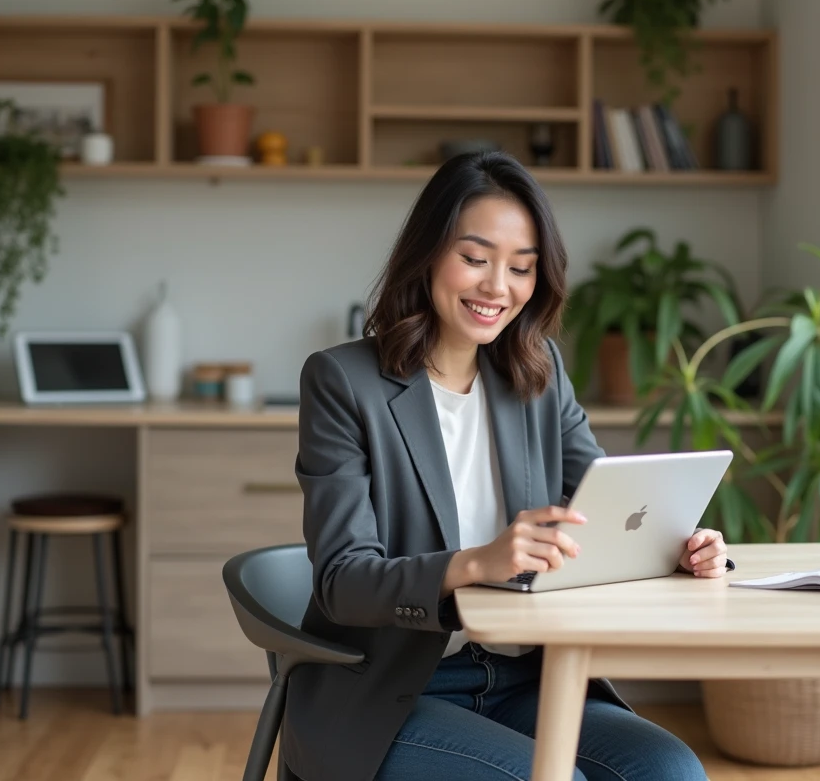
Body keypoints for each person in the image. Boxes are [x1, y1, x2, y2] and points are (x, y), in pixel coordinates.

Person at [286, 151, 730, 781]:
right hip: (395, 690)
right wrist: (474, 564)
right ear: (428, 254)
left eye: (521, 268)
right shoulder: (343, 381)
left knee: (669, 772)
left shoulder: (537, 373)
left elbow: (604, 512)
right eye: (474, 259)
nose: (499, 287)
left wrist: (676, 544)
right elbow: (343, 580)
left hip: (525, 676)